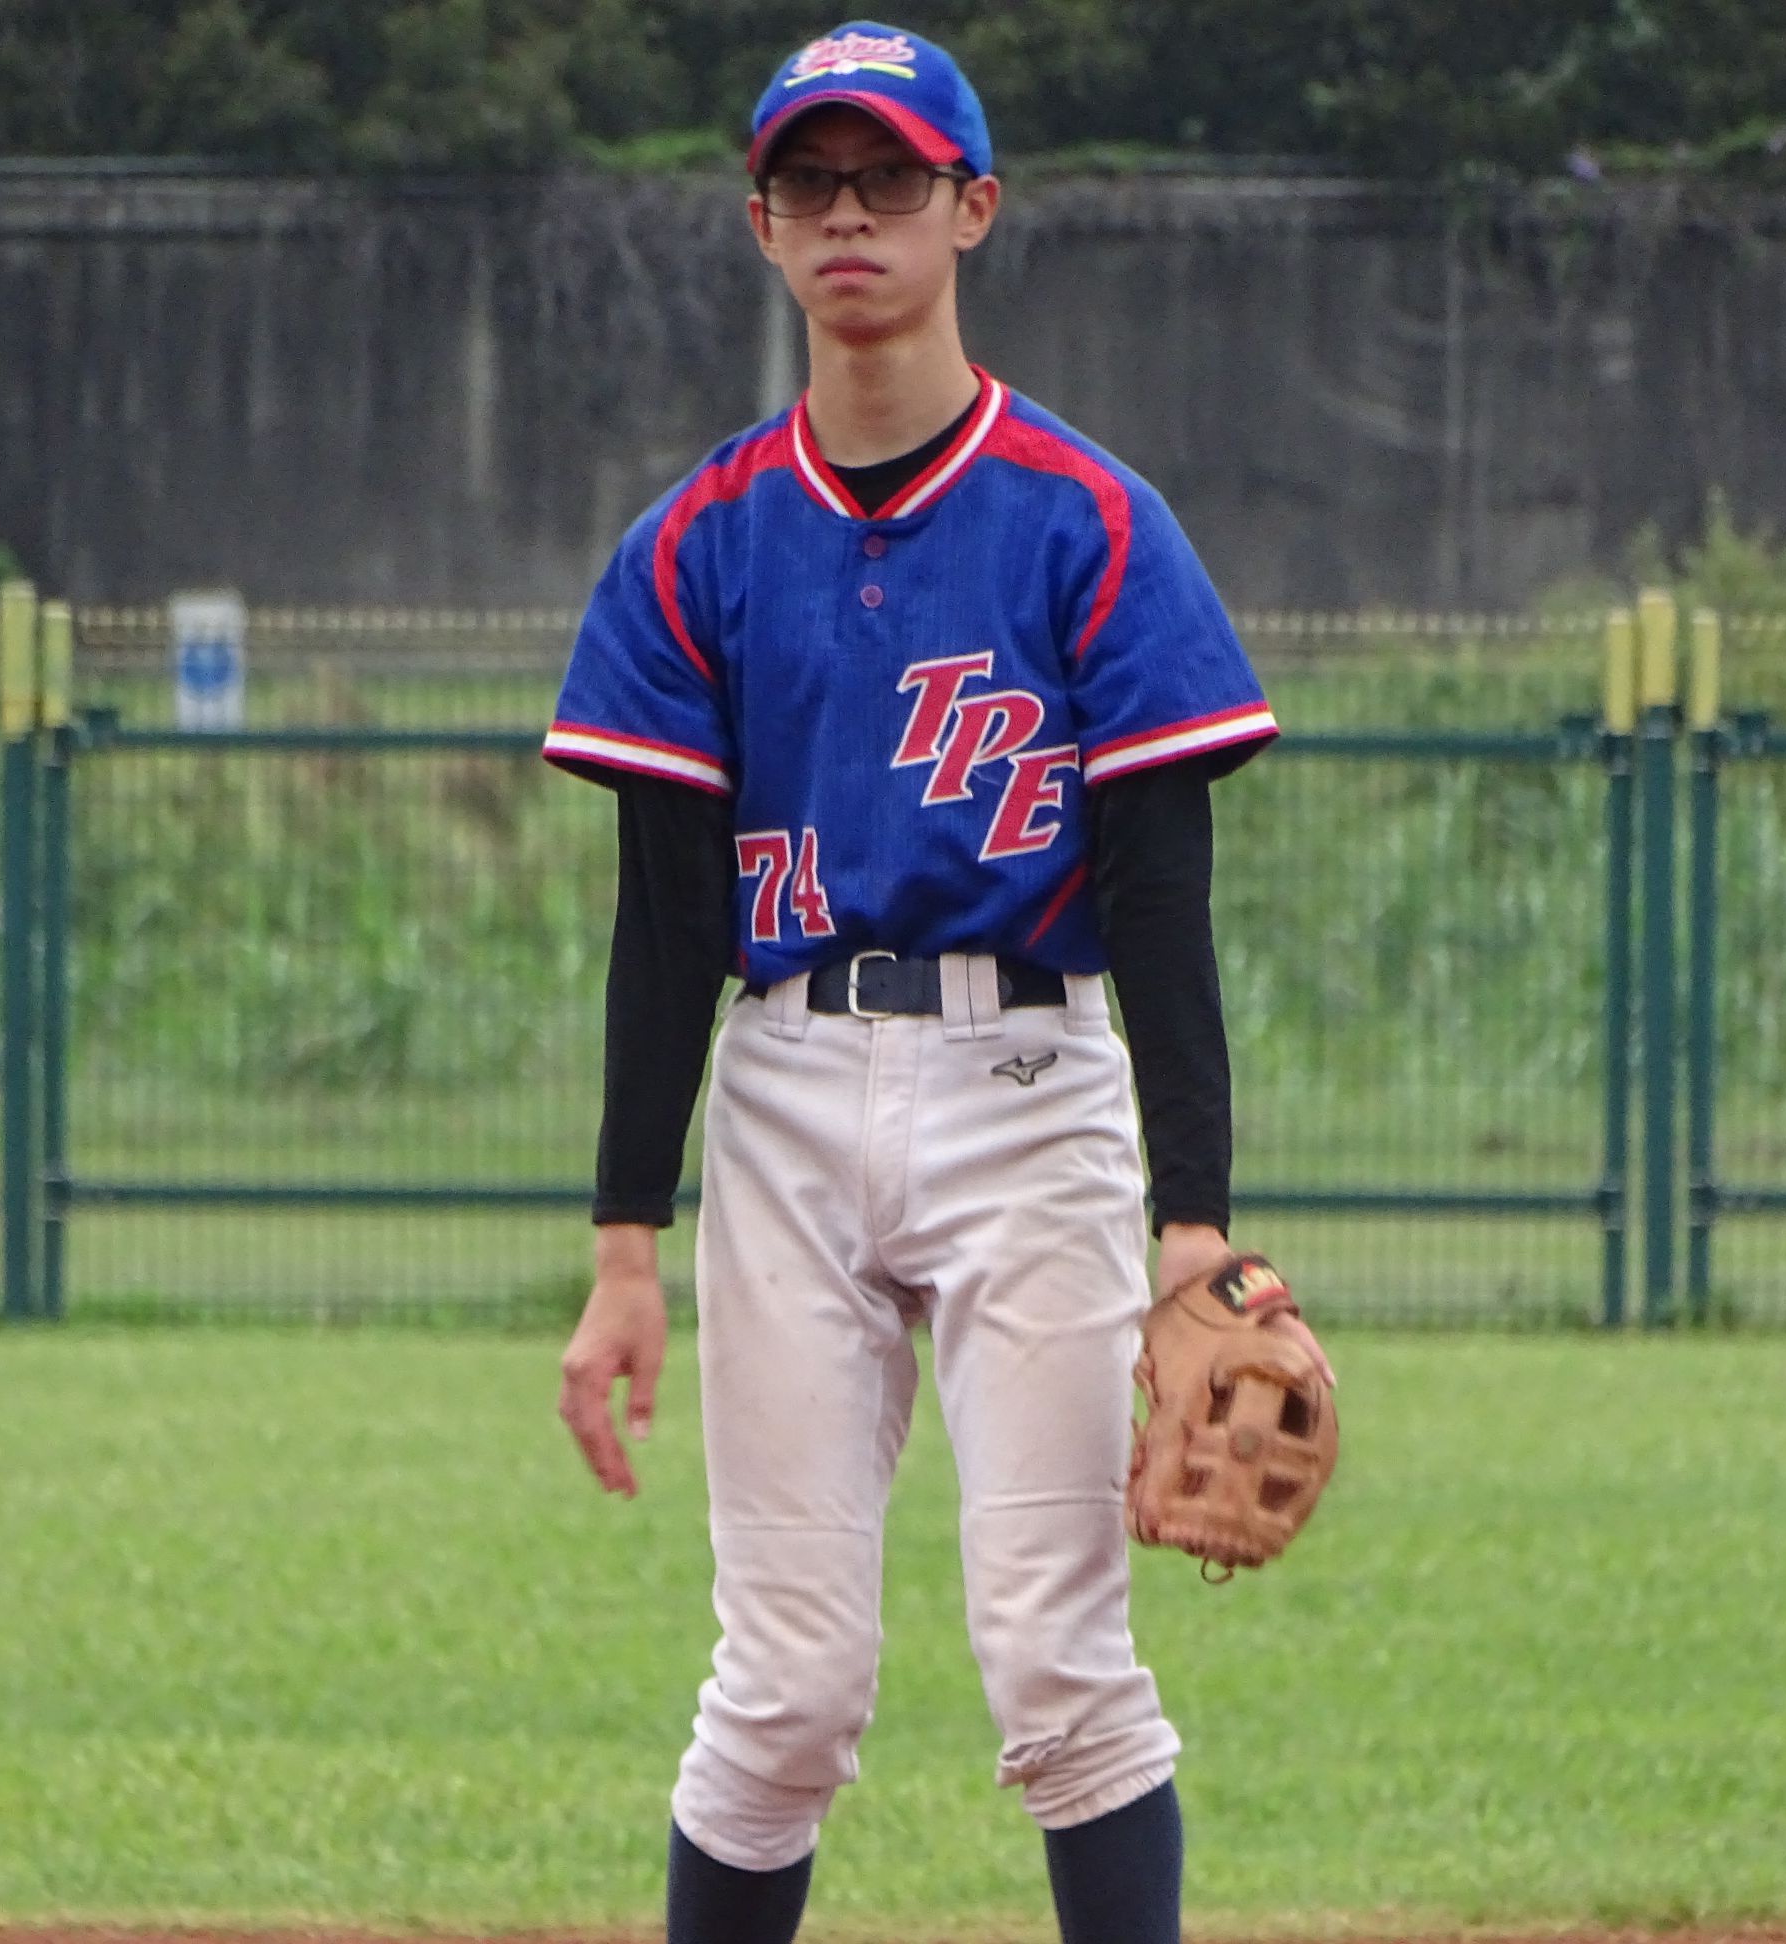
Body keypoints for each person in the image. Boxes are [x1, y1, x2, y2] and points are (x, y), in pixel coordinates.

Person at [544, 22, 1285, 1943]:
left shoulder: (1089, 522)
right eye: (809, 181)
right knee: (784, 1690)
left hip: (1030, 1090)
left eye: (891, 177)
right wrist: (624, 1248)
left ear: (974, 208)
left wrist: (1194, 1229)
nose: (849, 213)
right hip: (785, 1095)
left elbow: (1163, 901)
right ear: (762, 226)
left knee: (1060, 1667)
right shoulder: (697, 544)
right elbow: (666, 928)